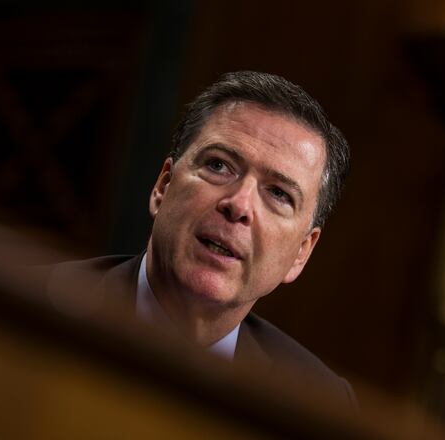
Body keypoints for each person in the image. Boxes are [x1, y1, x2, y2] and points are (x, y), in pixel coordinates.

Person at [46, 71, 354, 404]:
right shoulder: (35, 308)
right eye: (219, 166)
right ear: (163, 187)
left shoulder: (318, 400)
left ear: (301, 254)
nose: (238, 205)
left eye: (278, 194)